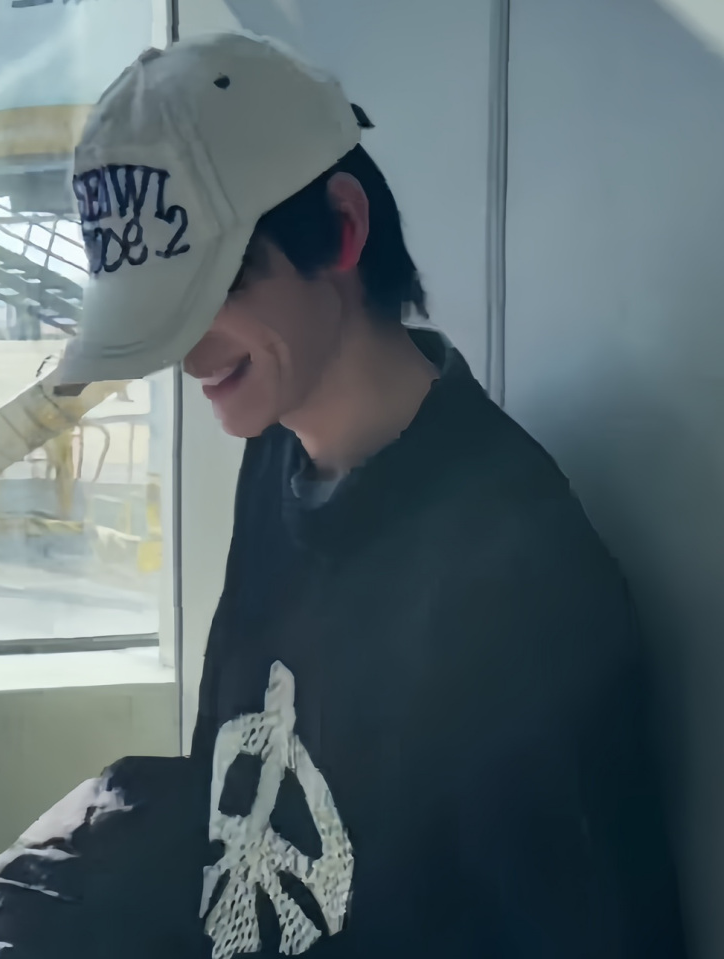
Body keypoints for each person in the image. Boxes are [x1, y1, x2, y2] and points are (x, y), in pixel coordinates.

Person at [54, 31, 687, 958]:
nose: (185, 357)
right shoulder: (273, 457)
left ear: (342, 229)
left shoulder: (515, 572)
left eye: (207, 294)